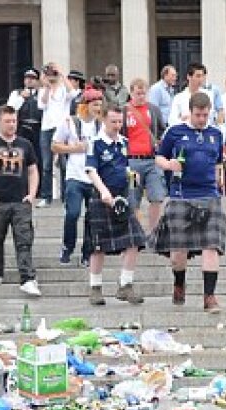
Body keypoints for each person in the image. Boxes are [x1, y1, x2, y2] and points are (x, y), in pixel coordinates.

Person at [151, 91, 226, 313]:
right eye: (198, 115)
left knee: (211, 247)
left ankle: (209, 297)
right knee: (178, 253)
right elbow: (158, 157)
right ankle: (179, 282)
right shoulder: (175, 132)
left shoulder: (216, 134)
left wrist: (220, 180)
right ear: (190, 112)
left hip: (209, 194)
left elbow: (218, 162)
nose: (202, 119)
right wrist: (169, 165)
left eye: (205, 115)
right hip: (181, 195)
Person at [83, 104, 146, 305]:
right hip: (101, 198)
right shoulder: (95, 143)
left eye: (120, 121)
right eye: (113, 122)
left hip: (122, 199)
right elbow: (91, 170)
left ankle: (125, 285)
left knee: (135, 241)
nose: (117, 125)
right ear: (103, 119)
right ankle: (95, 288)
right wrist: (104, 191)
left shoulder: (124, 142)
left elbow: (126, 167)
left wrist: (132, 179)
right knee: (98, 247)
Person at [0, 106, 40, 296]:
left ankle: (27, 277)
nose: (11, 125)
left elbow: (33, 170)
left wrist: (32, 194)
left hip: (20, 201)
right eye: (7, 121)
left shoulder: (25, 144)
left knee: (24, 240)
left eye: (14, 121)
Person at [53, 87, 104, 265]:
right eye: (95, 104)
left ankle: (87, 252)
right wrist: (74, 148)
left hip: (94, 177)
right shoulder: (70, 122)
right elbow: (55, 145)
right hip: (75, 175)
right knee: (73, 213)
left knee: (92, 217)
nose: (98, 108)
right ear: (85, 105)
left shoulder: (101, 125)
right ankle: (67, 246)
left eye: (100, 105)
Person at [125, 78, 166, 231]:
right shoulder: (124, 111)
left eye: (144, 93)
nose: (141, 96)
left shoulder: (153, 110)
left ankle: (153, 231)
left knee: (157, 196)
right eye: (138, 93)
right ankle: (138, 231)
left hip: (151, 160)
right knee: (133, 198)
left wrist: (158, 143)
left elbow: (162, 130)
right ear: (131, 93)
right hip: (132, 162)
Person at [38, 64, 76, 206]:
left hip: (62, 129)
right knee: (47, 164)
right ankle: (46, 197)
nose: (51, 76)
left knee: (64, 164)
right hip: (47, 128)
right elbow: (42, 105)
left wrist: (61, 74)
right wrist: (47, 86)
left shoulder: (63, 89)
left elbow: (73, 93)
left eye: (53, 73)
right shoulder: (43, 91)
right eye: (48, 73)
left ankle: (66, 196)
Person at [7, 68, 45, 162]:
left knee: (38, 155)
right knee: (21, 154)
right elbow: (10, 109)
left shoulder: (41, 93)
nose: (29, 80)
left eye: (32, 78)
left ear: (37, 81)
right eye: (27, 78)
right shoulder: (16, 93)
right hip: (22, 127)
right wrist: (21, 98)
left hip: (38, 127)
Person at [147, 65, 178, 131]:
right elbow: (153, 110)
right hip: (160, 127)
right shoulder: (156, 89)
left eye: (175, 76)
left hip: (170, 125)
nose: (175, 78)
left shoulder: (171, 89)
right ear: (165, 75)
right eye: (173, 75)